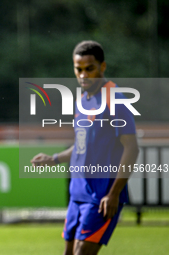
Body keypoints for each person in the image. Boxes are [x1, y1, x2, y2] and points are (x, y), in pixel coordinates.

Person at [31, 40, 139, 255]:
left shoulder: (115, 99)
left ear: (103, 66)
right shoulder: (83, 99)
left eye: (89, 69)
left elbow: (132, 148)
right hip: (77, 194)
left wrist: (114, 193)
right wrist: (53, 159)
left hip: (101, 196)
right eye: (78, 69)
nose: (83, 75)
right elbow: (81, 147)